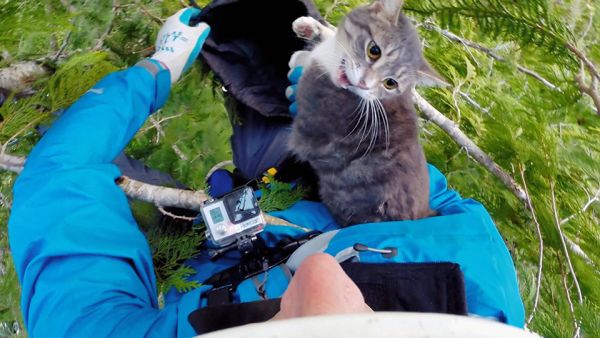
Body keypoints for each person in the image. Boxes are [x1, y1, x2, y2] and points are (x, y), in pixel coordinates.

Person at [8, 8, 525, 337]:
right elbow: (408, 169)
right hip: (315, 188)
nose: (323, 271)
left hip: (206, 249)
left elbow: (58, 176)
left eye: (282, 331)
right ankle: (276, 67)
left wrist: (156, 71)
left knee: (118, 187)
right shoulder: (483, 277)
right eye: (372, 320)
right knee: (272, 71)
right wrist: (335, 104)